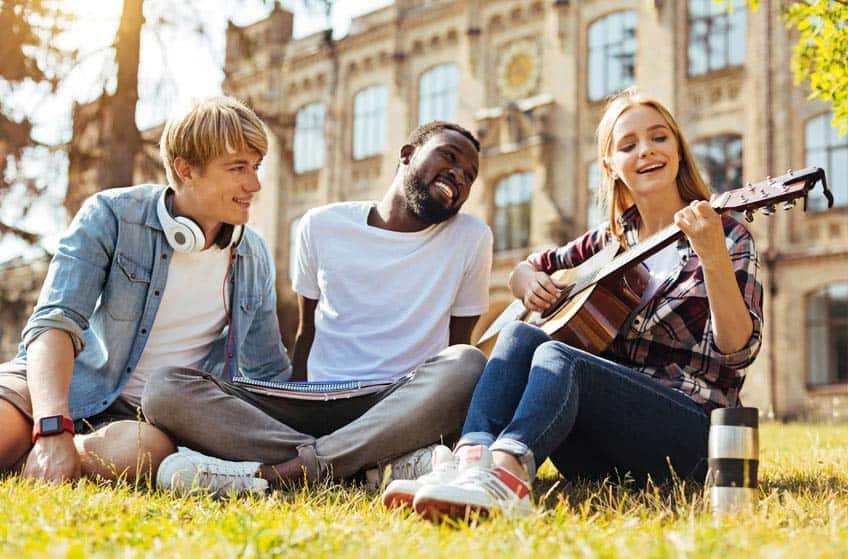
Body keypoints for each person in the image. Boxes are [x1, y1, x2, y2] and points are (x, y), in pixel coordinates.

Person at [391, 88, 764, 519]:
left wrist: (713, 256)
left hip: (692, 437)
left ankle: (507, 475)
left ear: (678, 149)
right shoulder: (611, 240)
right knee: (519, 333)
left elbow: (738, 352)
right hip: (604, 449)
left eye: (659, 138)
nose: (646, 151)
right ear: (611, 166)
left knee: (559, 356)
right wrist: (526, 281)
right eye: (628, 145)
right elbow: (530, 266)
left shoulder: (728, 233)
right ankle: (469, 462)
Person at [143, 121, 493, 495]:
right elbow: (305, 333)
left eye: (469, 176)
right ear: (407, 155)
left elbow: (458, 345)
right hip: (311, 403)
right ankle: (368, 466)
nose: (458, 175)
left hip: (394, 404)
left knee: (468, 363)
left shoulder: (470, 238)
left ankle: (284, 473)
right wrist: (289, 398)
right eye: (449, 157)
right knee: (164, 388)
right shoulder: (321, 225)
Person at [0, 96, 291, 484]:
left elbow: (267, 373)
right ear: (187, 170)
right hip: (57, 386)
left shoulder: (253, 256)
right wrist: (52, 428)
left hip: (137, 421)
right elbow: (54, 323)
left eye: (256, 167)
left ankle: (36, 461)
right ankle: (44, 447)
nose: (254, 184)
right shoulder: (111, 216)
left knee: (146, 454)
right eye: (237, 168)